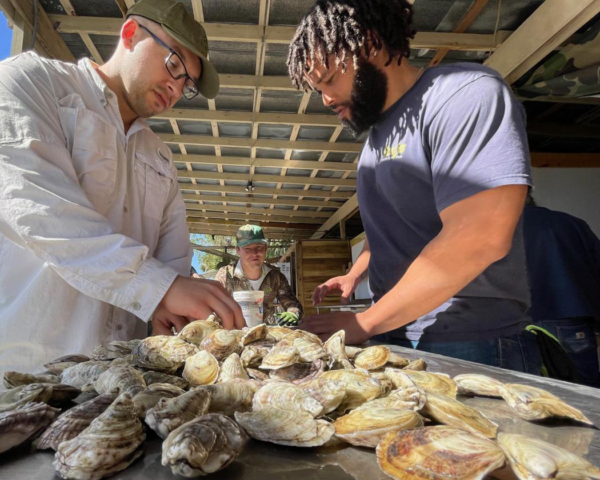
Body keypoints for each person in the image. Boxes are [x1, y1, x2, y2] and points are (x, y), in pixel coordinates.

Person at [0, 0, 244, 389]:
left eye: (187, 84)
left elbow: (174, 259)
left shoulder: (160, 158)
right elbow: (37, 210)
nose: (176, 88)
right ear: (130, 33)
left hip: (122, 377)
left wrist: (170, 308)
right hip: (25, 370)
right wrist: (159, 288)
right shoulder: (30, 82)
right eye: (175, 65)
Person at [289, 0, 541, 374]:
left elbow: (481, 234)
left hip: (470, 341)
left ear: (370, 43)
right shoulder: (374, 140)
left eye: (328, 81)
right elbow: (391, 230)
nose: (325, 99)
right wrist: (355, 273)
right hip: (394, 337)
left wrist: (364, 323)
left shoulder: (464, 94)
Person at [523, 194, 600, 387]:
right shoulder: (571, 224)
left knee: (529, 395)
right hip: (569, 321)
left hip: (515, 323)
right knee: (583, 394)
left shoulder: (495, 227)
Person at [215, 225, 303, 326]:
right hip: (235, 335)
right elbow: (213, 306)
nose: (254, 253)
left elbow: (291, 302)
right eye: (247, 248)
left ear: (265, 248)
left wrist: (293, 313)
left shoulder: (275, 276)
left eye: (259, 247)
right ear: (238, 250)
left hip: (265, 335)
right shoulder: (225, 275)